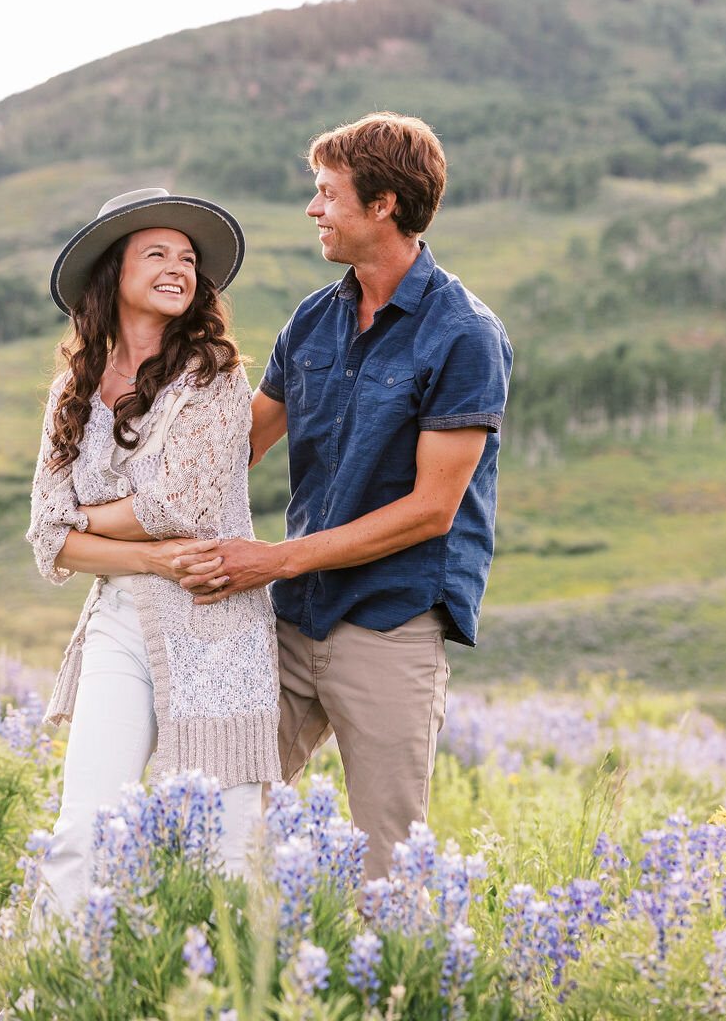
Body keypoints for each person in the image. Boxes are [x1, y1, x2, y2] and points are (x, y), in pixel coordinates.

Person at [177, 113, 513, 881]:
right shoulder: (314, 318)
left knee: (387, 862)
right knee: (210, 810)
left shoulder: (464, 334)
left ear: (384, 203)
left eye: (327, 193)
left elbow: (433, 508)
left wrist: (272, 559)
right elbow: (242, 445)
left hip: (390, 623)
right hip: (294, 620)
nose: (313, 209)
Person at [26, 187, 281, 914]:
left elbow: (186, 504)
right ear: (115, 272)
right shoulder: (71, 390)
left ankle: (220, 992)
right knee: (86, 823)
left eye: (189, 259)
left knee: (225, 846)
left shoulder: (217, 377)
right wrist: (150, 557)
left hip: (217, 627)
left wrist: (88, 520)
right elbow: (47, 539)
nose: (179, 267)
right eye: (157, 254)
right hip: (119, 619)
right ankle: (53, 989)